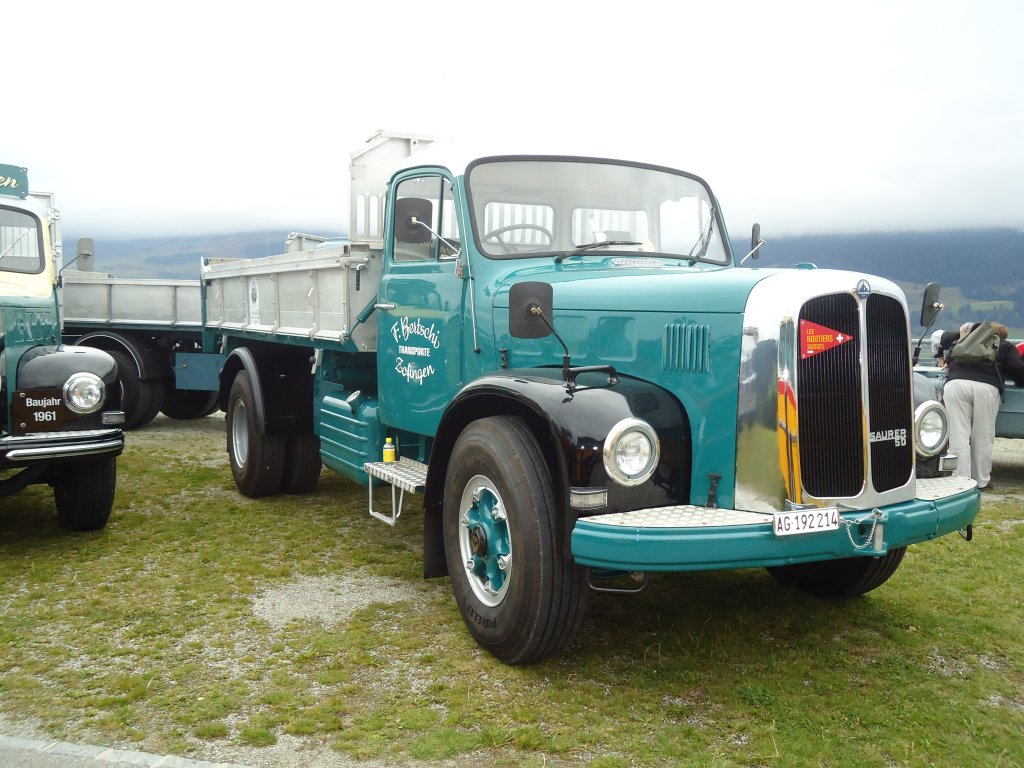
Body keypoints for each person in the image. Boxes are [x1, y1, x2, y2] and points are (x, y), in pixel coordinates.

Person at [937, 322, 1024, 490]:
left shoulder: (964, 342)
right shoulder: (1005, 346)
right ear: (1001, 336)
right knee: (983, 436)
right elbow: (1017, 369)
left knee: (958, 435)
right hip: (986, 388)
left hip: (956, 385)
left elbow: (948, 361)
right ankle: (981, 481)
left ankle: (959, 480)